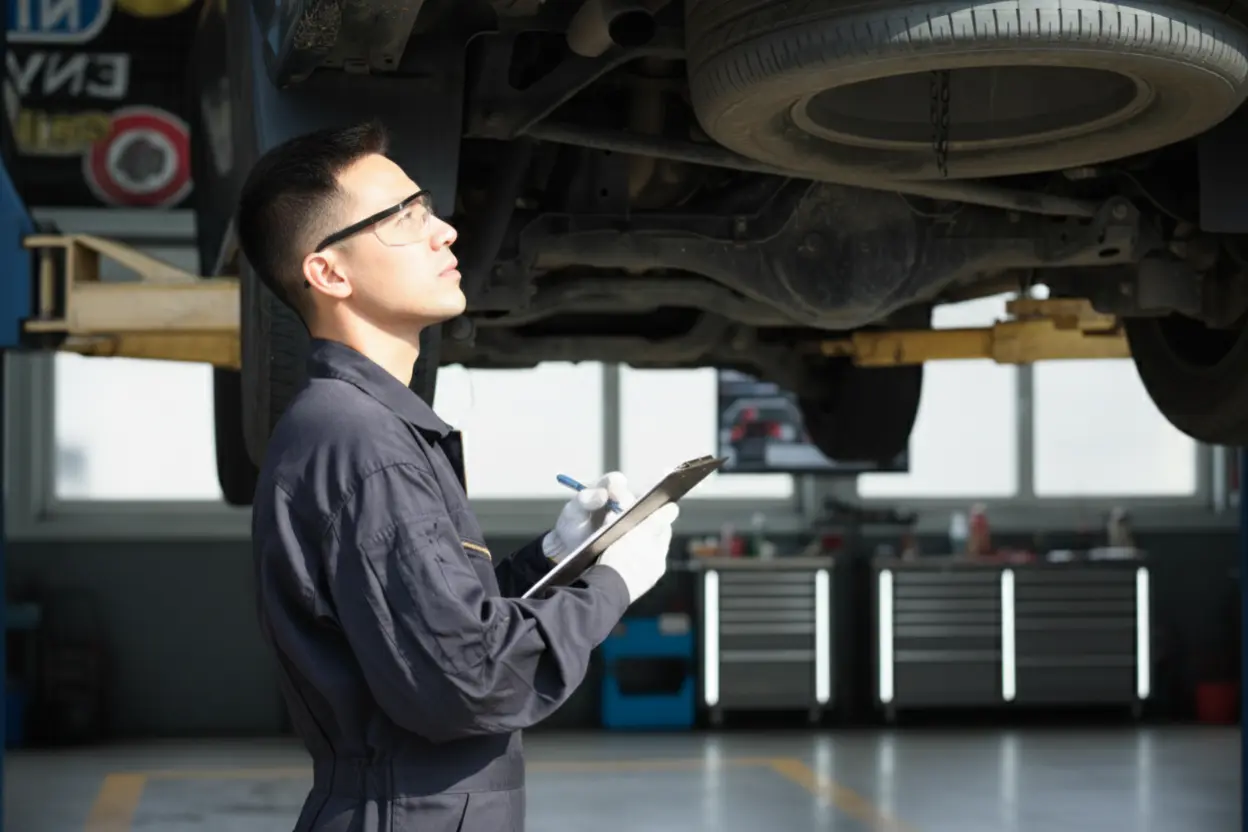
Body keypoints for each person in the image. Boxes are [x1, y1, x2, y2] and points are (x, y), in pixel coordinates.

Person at [237, 121, 679, 832]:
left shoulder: (369, 428)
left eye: (429, 209)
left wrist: (560, 560)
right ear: (329, 273)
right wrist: (613, 583)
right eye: (404, 219)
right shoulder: (361, 443)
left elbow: (433, 627)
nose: (443, 231)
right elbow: (467, 682)